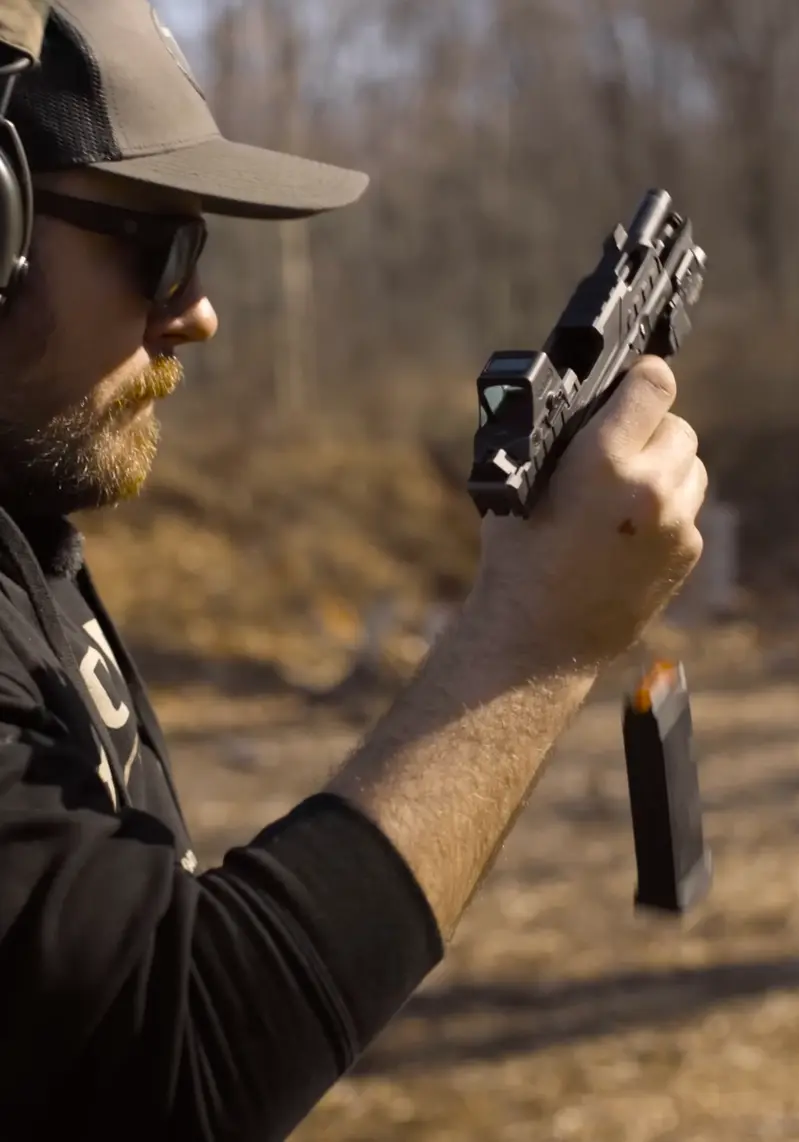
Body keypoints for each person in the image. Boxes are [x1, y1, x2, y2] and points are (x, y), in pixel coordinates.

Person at [0, 1, 708, 1139]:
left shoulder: (27, 531)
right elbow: (169, 1055)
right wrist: (535, 631)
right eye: (158, 248)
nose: (200, 313)